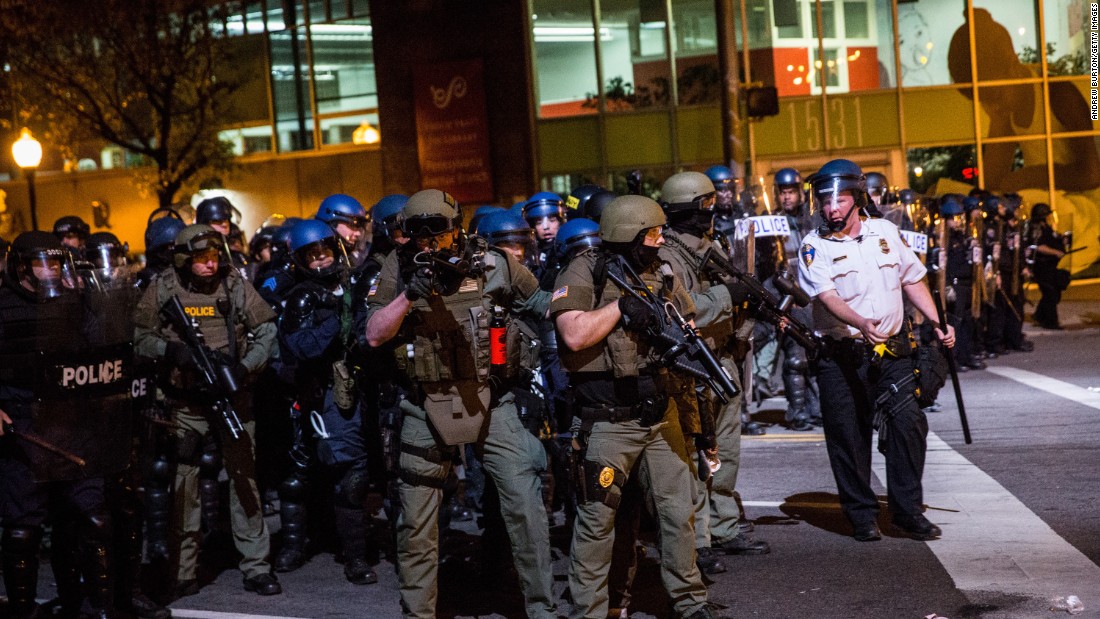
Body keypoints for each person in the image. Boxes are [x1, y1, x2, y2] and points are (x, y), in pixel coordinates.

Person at [365, 189, 556, 619]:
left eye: (439, 230)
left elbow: (542, 303)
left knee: (526, 505)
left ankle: (542, 610)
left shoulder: (495, 262)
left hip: (492, 398)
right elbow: (375, 334)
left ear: (457, 226)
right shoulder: (396, 268)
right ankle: (418, 613)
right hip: (424, 404)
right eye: (418, 232)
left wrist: (582, 301)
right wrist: (408, 295)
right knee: (416, 524)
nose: (430, 240)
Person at [552, 194, 725, 619]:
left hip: (659, 411)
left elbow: (688, 322)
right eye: (652, 233)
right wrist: (619, 307)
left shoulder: (661, 269)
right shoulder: (585, 269)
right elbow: (572, 335)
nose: (660, 239)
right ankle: (589, 611)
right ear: (628, 235)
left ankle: (690, 601)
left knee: (677, 513)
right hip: (608, 418)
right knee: (597, 524)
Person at [797, 159, 955, 542]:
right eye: (824, 201)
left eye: (839, 200)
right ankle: (862, 514)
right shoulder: (813, 246)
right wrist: (859, 322)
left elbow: (913, 279)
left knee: (908, 426)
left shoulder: (885, 231)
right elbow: (827, 296)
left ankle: (906, 511)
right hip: (842, 354)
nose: (831, 208)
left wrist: (937, 322)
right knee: (848, 436)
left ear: (857, 198)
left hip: (892, 351)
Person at [133, 224, 281, 597]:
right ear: (183, 258)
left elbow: (266, 330)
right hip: (185, 405)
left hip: (233, 399)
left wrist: (245, 367)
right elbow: (139, 337)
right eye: (201, 258)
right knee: (185, 487)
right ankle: (183, 571)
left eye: (215, 257)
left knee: (244, 482)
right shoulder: (164, 287)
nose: (210, 264)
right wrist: (172, 352)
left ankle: (256, 566)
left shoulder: (234, 283)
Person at [1, 231, 133, 619]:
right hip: (22, 424)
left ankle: (101, 609)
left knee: (95, 518)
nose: (52, 271)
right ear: (22, 266)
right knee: (23, 530)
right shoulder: (3, 306)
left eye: (57, 263)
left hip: (73, 423)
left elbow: (101, 351)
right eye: (44, 263)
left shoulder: (75, 301)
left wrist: (90, 299)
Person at [656, 172, 769, 578]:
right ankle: (699, 539)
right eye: (705, 205)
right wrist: (729, 296)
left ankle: (723, 525)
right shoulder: (668, 255)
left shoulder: (710, 246)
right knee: (697, 456)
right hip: (694, 361)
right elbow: (680, 311)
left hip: (723, 358)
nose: (713, 210)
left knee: (727, 454)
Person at [275, 219, 377, 585]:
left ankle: (358, 549)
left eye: (326, 251)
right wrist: (340, 317)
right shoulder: (302, 296)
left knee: (365, 472)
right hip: (323, 393)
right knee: (341, 473)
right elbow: (302, 347)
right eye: (313, 255)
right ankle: (348, 556)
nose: (322, 260)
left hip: (361, 387)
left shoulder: (352, 284)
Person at [1027, 203, 1068, 329]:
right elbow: (1039, 247)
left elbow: (1050, 240)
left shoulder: (1046, 227)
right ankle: (1050, 322)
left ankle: (1040, 315)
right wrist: (1056, 252)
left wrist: (1062, 241)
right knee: (1050, 292)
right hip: (1042, 265)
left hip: (1050, 265)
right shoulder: (1036, 228)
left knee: (1054, 292)